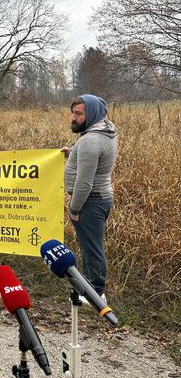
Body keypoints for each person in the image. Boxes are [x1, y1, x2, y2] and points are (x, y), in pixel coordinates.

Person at [62, 95, 118, 302]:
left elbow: (84, 183)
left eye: (78, 114)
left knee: (92, 247)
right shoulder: (105, 131)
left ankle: (95, 291)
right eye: (73, 112)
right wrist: (73, 153)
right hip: (99, 198)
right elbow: (93, 161)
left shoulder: (90, 141)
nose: (73, 117)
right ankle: (89, 285)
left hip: (90, 202)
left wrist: (74, 209)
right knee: (89, 244)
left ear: (92, 114)